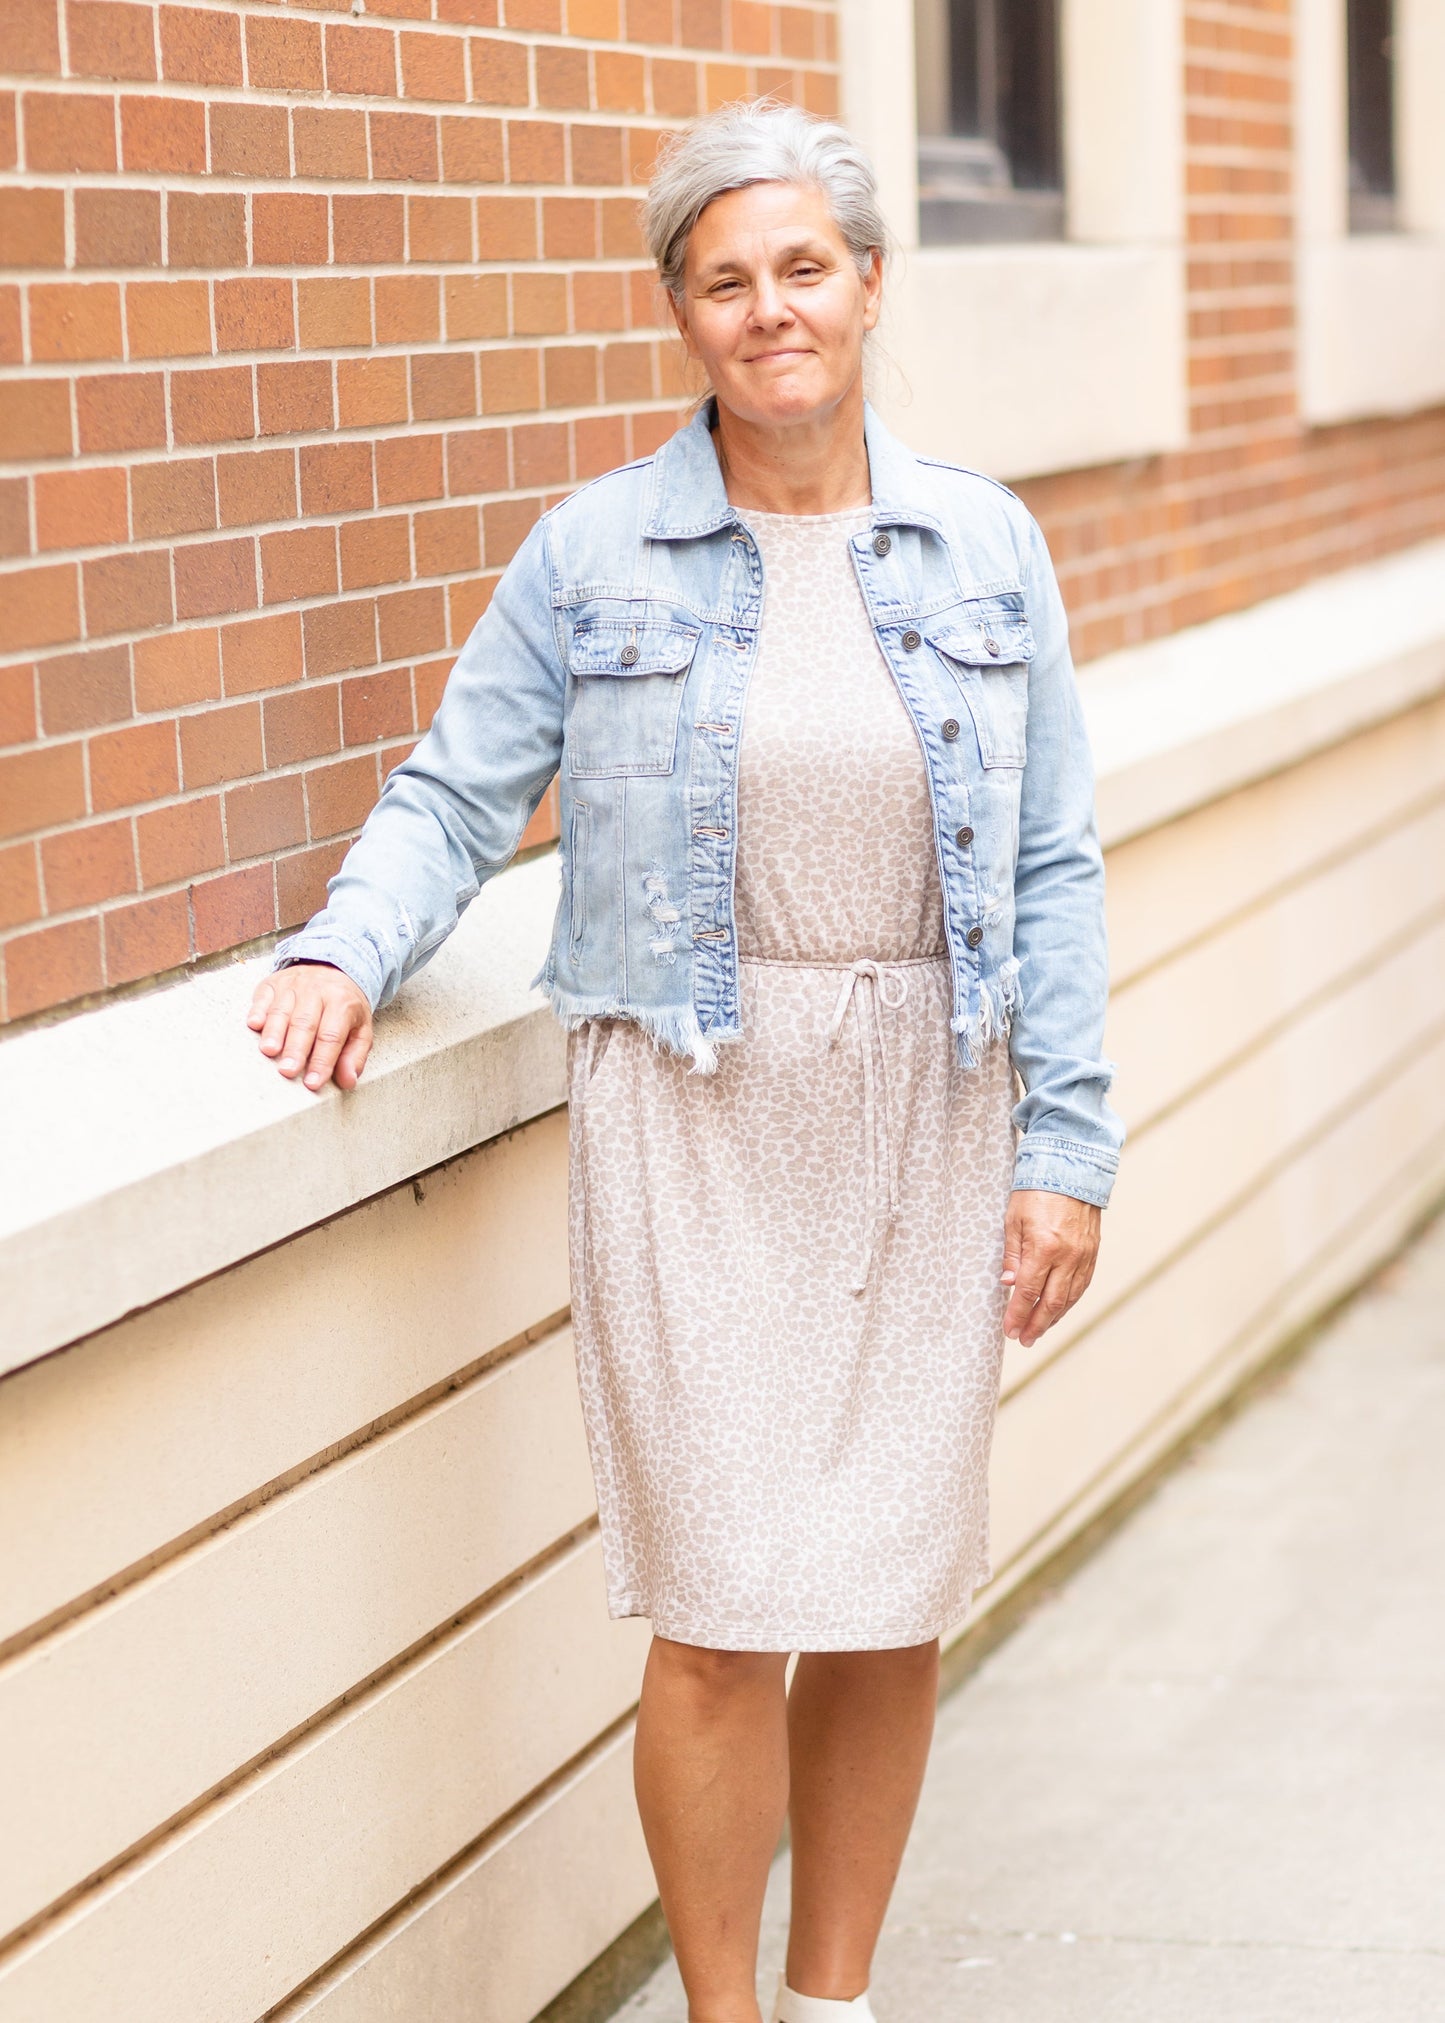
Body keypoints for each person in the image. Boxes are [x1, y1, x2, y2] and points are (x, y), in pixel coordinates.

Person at [247, 98, 1122, 2023]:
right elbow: (454, 791)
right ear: (682, 317)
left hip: (924, 1104)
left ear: (871, 285)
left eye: (803, 267)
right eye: (724, 282)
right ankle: (723, 2015)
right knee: (723, 1618)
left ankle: (832, 2004)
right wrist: (342, 945)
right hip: (695, 1118)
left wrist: (1065, 1144)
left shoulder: (981, 542)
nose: (769, 310)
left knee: (887, 1597)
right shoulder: (592, 556)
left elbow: (1052, 856)